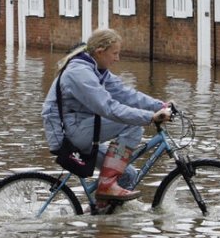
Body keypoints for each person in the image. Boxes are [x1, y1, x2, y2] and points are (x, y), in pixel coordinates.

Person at [41, 28, 172, 204]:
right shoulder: (80, 74)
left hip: (83, 128)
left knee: (128, 175)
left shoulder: (97, 70)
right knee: (132, 124)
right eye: (115, 53)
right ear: (100, 52)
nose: (117, 58)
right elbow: (108, 108)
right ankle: (107, 184)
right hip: (69, 135)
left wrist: (161, 105)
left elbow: (126, 94)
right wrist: (150, 117)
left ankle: (98, 216)